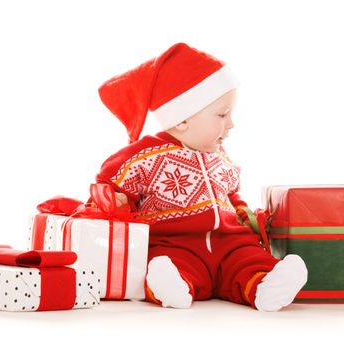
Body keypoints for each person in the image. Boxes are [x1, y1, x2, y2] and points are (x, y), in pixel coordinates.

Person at [95, 42, 308, 311]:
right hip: (177, 243)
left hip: (229, 242)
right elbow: (110, 180)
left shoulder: (219, 155)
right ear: (182, 119)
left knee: (248, 258)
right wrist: (113, 200)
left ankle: (267, 285)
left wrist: (246, 217)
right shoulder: (145, 157)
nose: (231, 124)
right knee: (167, 261)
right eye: (222, 114)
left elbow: (231, 194)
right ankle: (170, 285)